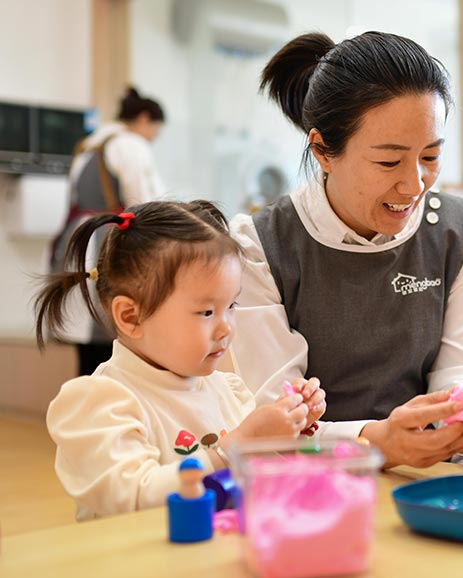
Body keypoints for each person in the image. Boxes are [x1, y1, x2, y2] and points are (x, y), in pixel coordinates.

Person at [229, 31, 463, 469]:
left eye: (430, 156)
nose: (414, 185)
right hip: (312, 483)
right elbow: (277, 422)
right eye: (389, 162)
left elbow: (457, 370)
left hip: (431, 479)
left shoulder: (457, 228)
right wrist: (378, 442)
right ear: (323, 151)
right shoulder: (259, 245)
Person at [35, 200, 325, 521]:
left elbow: (254, 476)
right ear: (131, 316)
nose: (226, 326)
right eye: (206, 312)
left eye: (231, 305)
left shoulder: (224, 388)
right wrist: (237, 444)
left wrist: (291, 426)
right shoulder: (103, 402)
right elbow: (132, 497)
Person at [49, 86, 168, 376]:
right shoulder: (130, 145)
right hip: (108, 242)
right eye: (155, 130)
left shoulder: (87, 146)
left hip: (77, 240)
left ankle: (82, 412)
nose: (153, 137)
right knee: (111, 335)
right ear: (143, 119)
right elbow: (145, 204)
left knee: (86, 341)